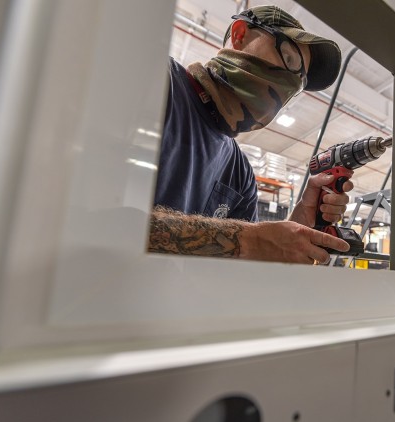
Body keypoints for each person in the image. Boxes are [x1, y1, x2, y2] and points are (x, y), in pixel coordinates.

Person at [149, 5, 354, 265]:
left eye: (300, 82)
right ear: (239, 34)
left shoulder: (240, 173)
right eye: (289, 58)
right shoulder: (158, 81)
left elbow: (239, 266)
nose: (291, 84)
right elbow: (94, 220)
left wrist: (301, 222)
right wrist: (250, 240)